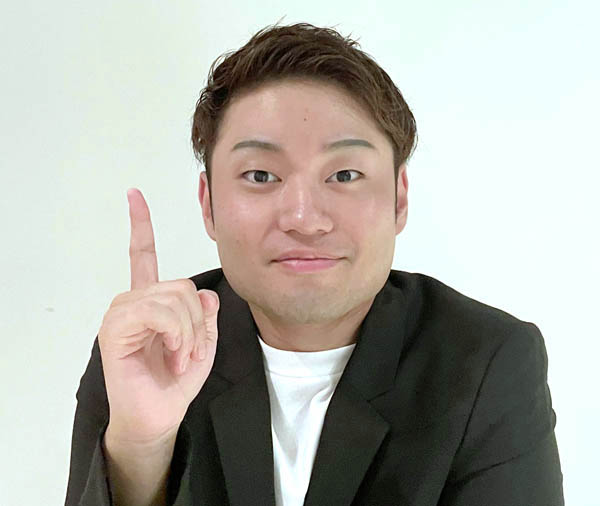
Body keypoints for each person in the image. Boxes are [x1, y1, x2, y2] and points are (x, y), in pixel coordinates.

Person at [64, 22, 564, 506]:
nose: (304, 219)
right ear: (208, 204)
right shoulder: (150, 345)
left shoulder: (485, 363)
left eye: (344, 174)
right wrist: (141, 448)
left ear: (399, 199)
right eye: (261, 175)